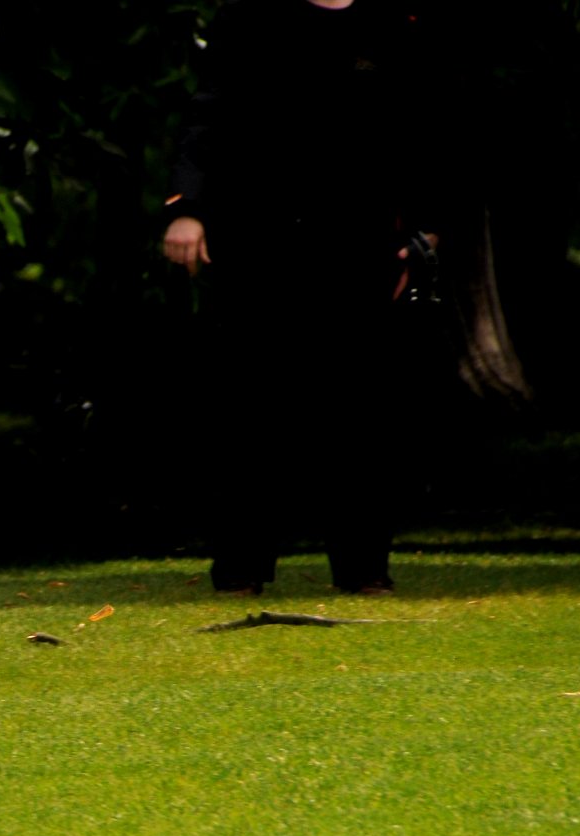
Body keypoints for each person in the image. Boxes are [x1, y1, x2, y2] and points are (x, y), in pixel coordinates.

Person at [161, 0, 445, 596]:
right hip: (256, 238)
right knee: (251, 406)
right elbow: (205, 117)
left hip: (359, 241)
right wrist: (187, 210)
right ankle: (240, 569)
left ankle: (365, 568)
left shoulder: (393, 25)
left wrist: (424, 231)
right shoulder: (249, 18)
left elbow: (422, 127)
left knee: (361, 410)